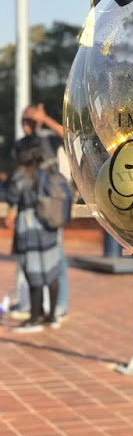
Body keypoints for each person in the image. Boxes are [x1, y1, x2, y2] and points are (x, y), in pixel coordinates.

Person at [10, 104, 69, 321]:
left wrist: (45, 119)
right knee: (33, 264)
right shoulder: (19, 146)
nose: (27, 124)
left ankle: (52, 311)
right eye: (24, 119)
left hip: (48, 210)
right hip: (28, 211)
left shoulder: (47, 141)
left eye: (30, 120)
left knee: (52, 263)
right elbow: (18, 179)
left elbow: (68, 135)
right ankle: (40, 312)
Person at [5, 139, 60, 332]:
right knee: (52, 270)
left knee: (33, 271)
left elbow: (12, 197)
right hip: (48, 224)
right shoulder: (48, 171)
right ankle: (51, 315)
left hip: (28, 226)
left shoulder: (21, 175)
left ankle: (35, 317)